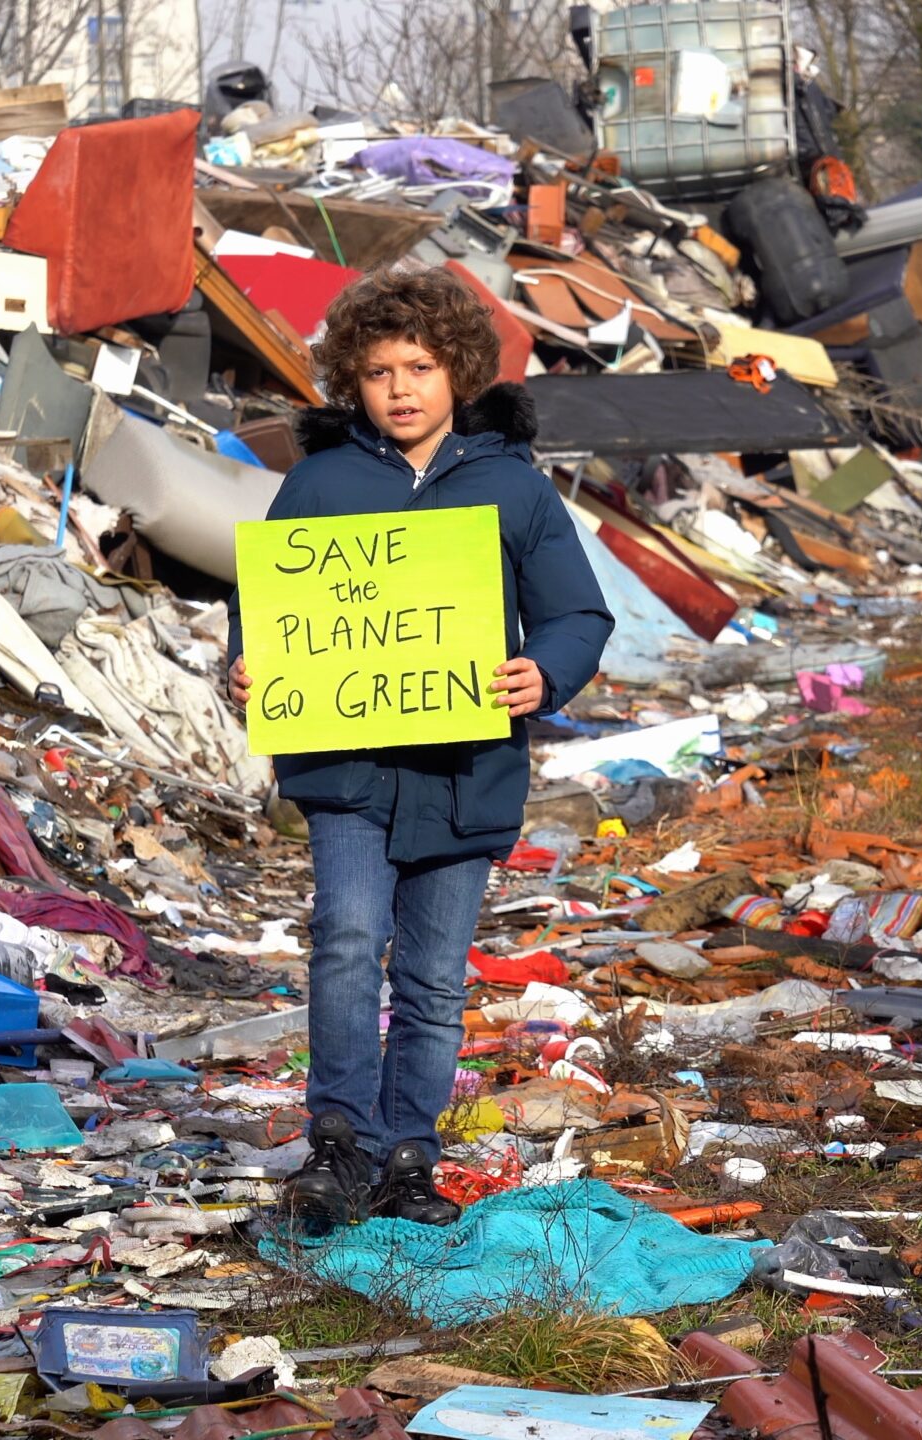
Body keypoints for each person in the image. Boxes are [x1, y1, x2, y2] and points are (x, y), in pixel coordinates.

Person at [226, 269, 614, 1228]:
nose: (399, 389)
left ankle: (409, 1154)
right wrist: (246, 664)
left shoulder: (513, 488)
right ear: (351, 383)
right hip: (345, 773)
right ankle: (340, 1145)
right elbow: (266, 608)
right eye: (376, 372)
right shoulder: (319, 482)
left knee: (435, 977)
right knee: (349, 946)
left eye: (420, 367)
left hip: (464, 774)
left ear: (459, 373)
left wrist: (545, 674)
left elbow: (576, 613)